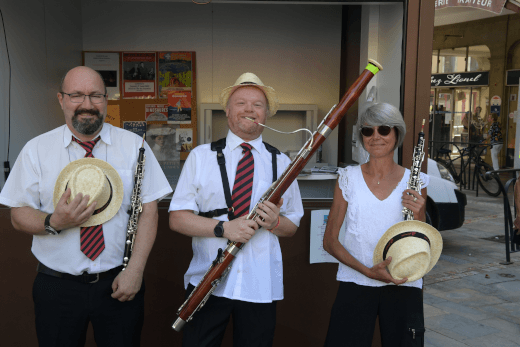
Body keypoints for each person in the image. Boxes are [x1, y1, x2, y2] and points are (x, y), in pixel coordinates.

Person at [0, 66, 172, 346]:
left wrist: (135, 271)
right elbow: (18, 214)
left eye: (95, 96)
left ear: (107, 99)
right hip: (56, 286)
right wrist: (54, 222)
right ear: (61, 99)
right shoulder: (36, 150)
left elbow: (148, 210)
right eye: (76, 95)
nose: (87, 105)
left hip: (120, 282)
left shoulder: (134, 146)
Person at [169, 72, 304, 347]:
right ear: (228, 111)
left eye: (257, 104)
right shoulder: (200, 156)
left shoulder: (283, 162)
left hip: (260, 286)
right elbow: (177, 219)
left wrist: (275, 223)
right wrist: (223, 228)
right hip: (207, 281)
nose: (249, 110)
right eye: (241, 103)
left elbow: (292, 226)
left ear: (266, 114)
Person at [323, 103, 430, 347]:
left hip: (403, 280)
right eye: (368, 131)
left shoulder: (416, 180)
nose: (376, 137)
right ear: (361, 137)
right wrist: (368, 271)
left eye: (384, 129)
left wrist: (420, 213)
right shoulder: (348, 177)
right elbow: (329, 241)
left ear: (397, 134)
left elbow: (420, 239)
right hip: (356, 279)